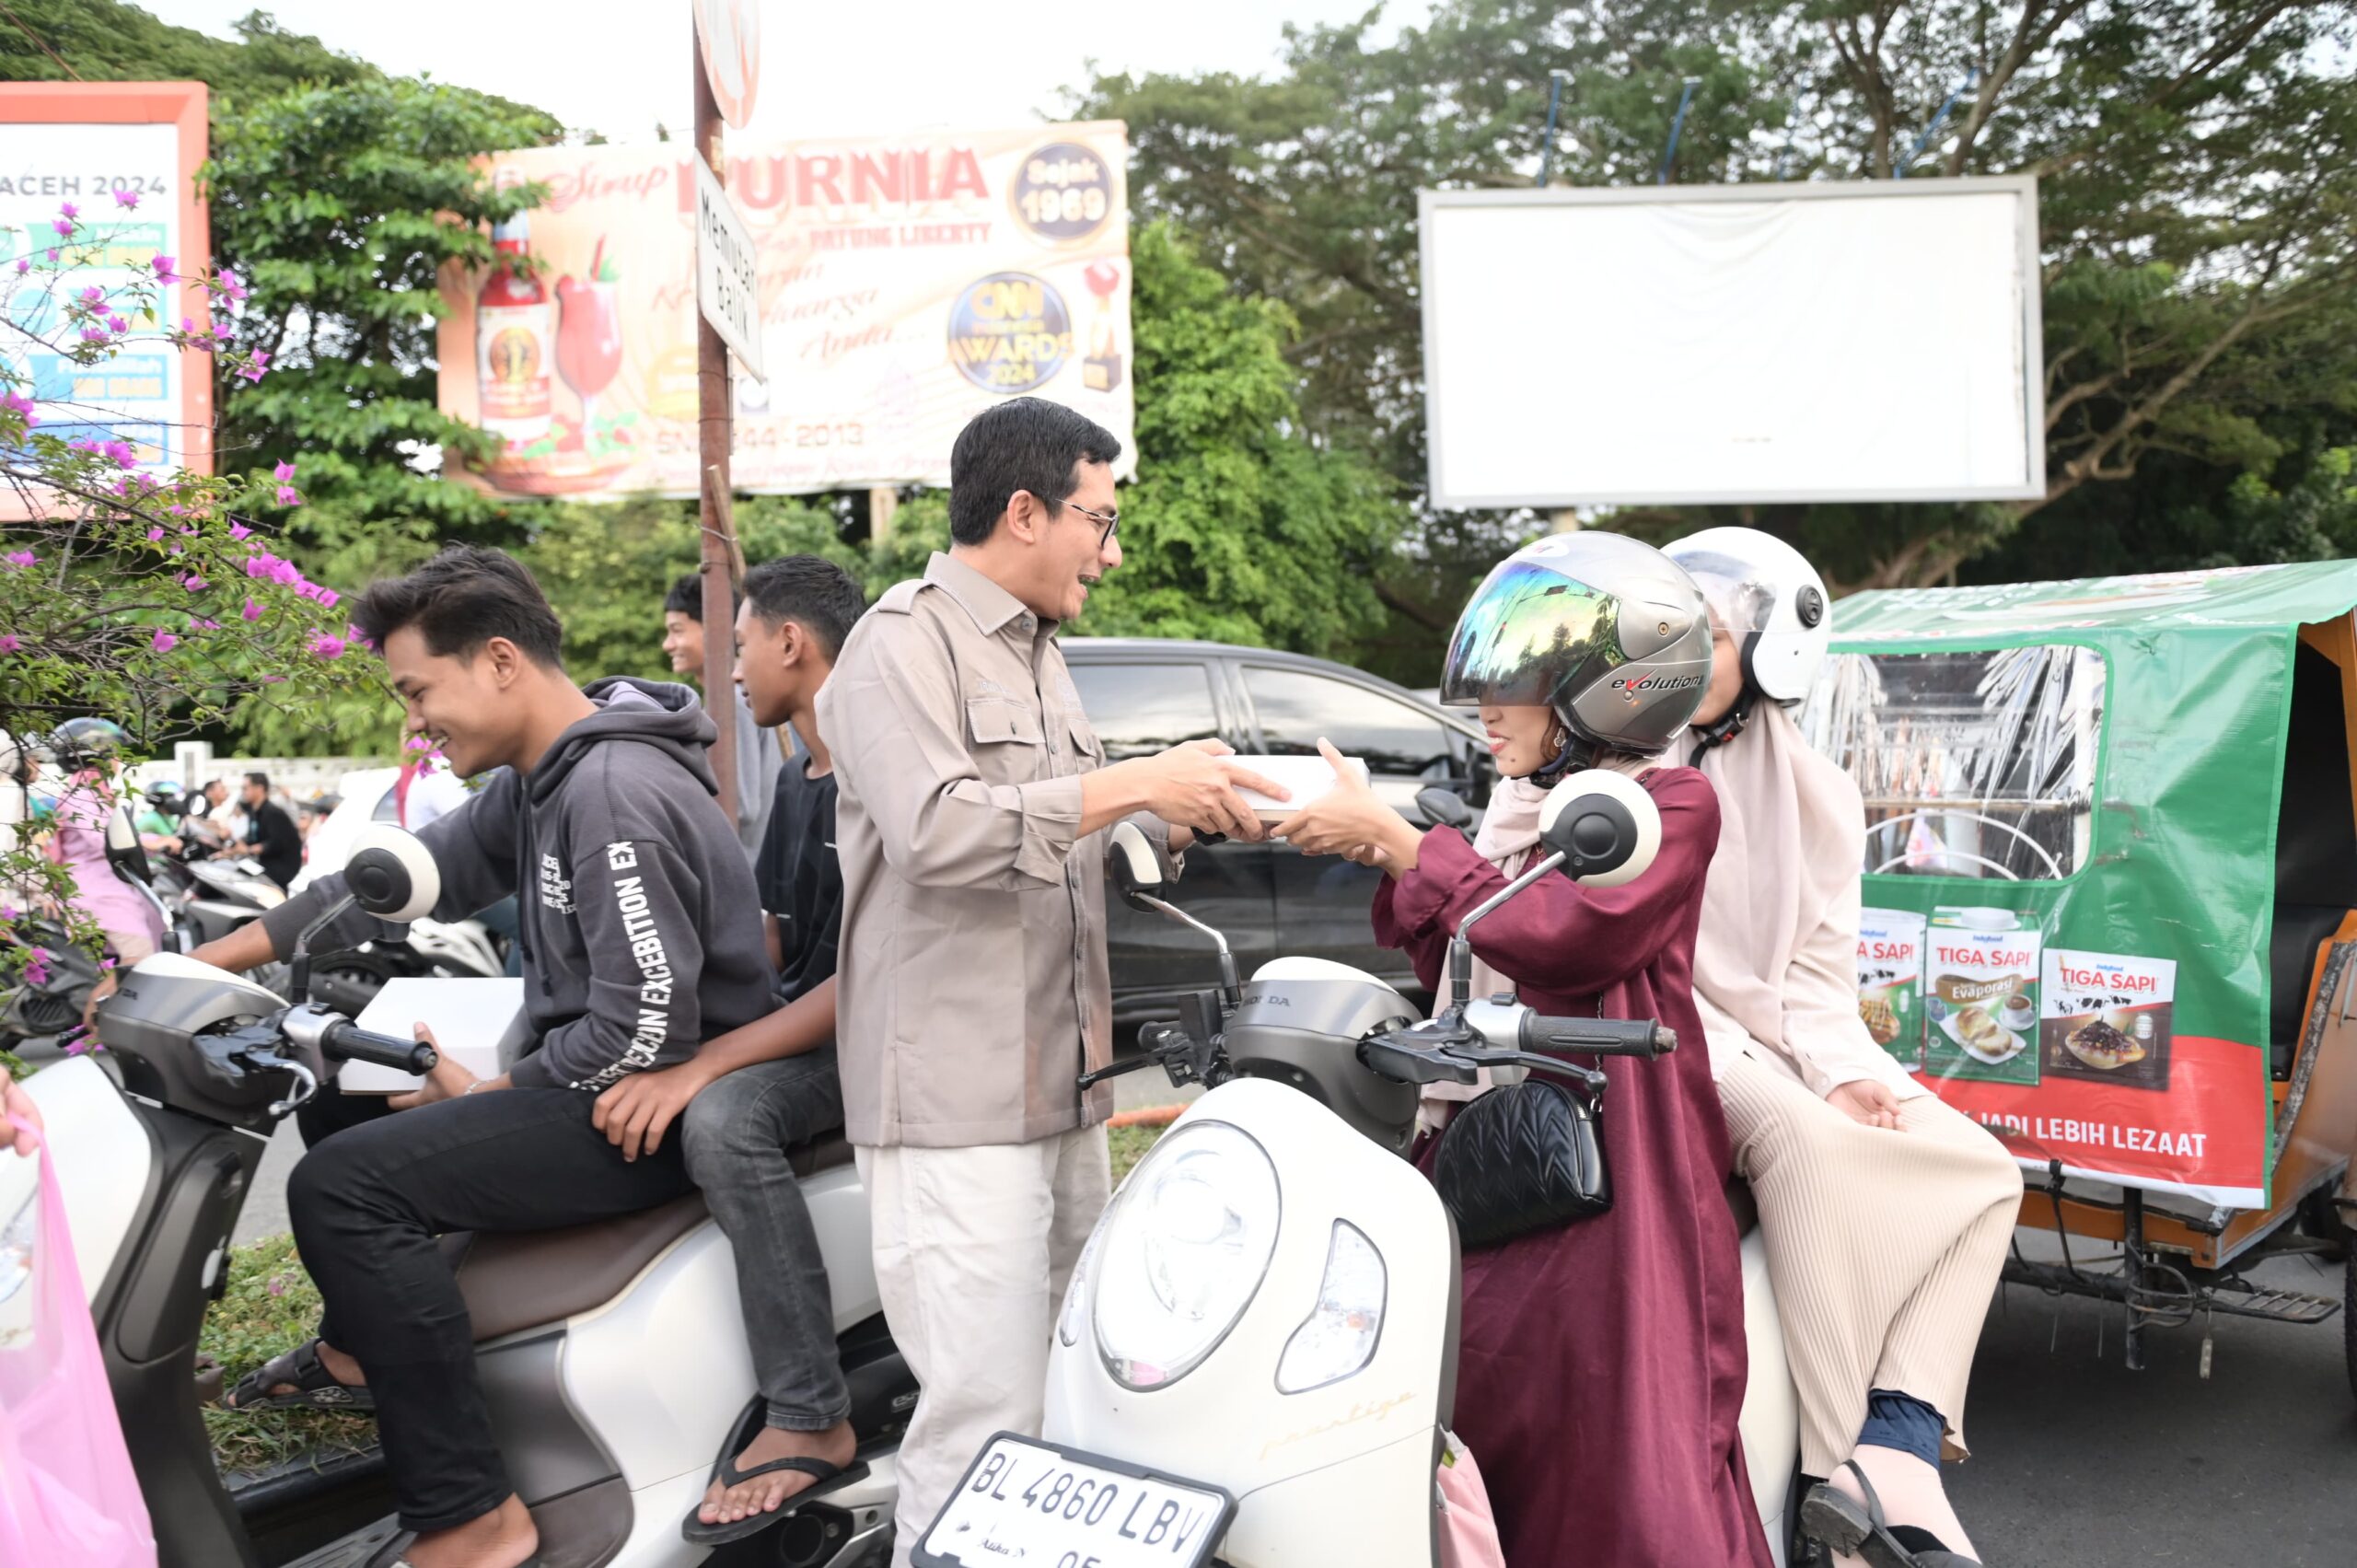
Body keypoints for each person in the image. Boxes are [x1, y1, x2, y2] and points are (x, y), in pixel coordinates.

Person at [197, 545, 775, 1568]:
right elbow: (389, 882)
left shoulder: (613, 790)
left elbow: (644, 1030)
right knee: (343, 1091)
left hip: (646, 1109)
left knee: (339, 1187)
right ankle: (360, 1349)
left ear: (500, 660)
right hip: (595, 1078)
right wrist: (198, 958)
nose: (415, 721)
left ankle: (472, 1514)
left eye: (420, 689)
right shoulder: (545, 777)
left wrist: (491, 1089)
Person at [819, 397, 1287, 1567]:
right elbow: (936, 833)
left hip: (1063, 1083)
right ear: (1023, 510)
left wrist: (1170, 819)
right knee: (981, 1411)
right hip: (950, 1102)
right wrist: (1133, 784)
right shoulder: (898, 642)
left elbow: (1067, 837)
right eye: (1100, 518)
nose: (1112, 549)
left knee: (1076, 1387)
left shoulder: (1040, 654)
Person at [1273, 532, 1771, 1568]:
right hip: (1489, 1135)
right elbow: (1447, 939)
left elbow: (1565, 939)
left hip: (1608, 1151)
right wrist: (1375, 838)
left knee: (1607, 1425)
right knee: (1460, 1388)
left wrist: (1407, 846)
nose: (1486, 706)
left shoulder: (1668, 801)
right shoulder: (1517, 803)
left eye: (1521, 682)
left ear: (1607, 691)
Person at [1666, 528, 2019, 1568]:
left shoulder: (1819, 792)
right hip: (1657, 1036)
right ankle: (1835, 1481)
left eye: (1702, 636)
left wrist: (1854, 1072)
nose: (1671, 658)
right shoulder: (1597, 753)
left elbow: (1817, 984)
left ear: (1768, 653)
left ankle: (1895, 1444)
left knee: (1987, 1169)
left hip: (1770, 1046)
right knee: (1807, 1146)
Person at [589, 555, 870, 1542]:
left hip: (875, 1041)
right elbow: (779, 934)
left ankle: (809, 1409)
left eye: (743, 644)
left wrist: (708, 1062)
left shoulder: (880, 773)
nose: (732, 667)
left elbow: (863, 982)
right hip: (808, 1019)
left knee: (721, 1116)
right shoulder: (800, 777)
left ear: (792, 641)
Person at [665, 570, 786, 863]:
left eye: (677, 630)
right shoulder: (738, 695)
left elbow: (739, 806)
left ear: (714, 627)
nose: (668, 644)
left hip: (743, 872)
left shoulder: (733, 699)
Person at [39, 719, 165, 970]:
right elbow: (106, 839)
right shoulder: (85, 794)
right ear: (98, 755)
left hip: (106, 893)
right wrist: (158, 842)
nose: (118, 760)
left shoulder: (90, 790)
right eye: (114, 753)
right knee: (143, 963)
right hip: (100, 898)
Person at [238, 772, 303, 889]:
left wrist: (248, 850)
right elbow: (253, 838)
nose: (243, 792)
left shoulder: (273, 813)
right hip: (264, 864)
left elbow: (275, 843)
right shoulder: (254, 812)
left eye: (245, 788)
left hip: (279, 869)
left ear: (259, 788)